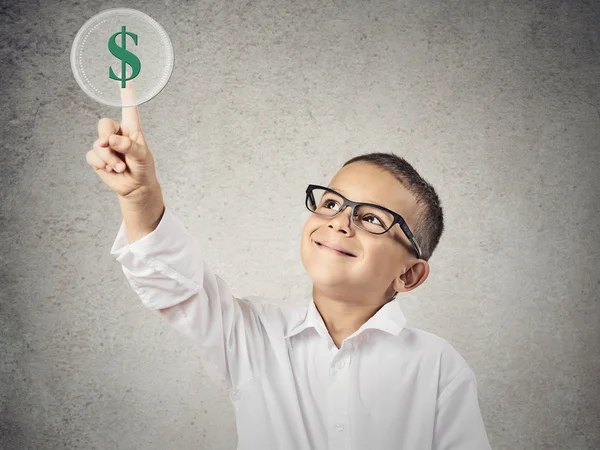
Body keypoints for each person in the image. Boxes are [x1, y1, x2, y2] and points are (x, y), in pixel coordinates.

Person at [87, 81, 492, 449]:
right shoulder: (253, 335)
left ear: (409, 274)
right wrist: (141, 195)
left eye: (371, 218)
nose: (339, 221)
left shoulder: (437, 365)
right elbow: (179, 286)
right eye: (331, 203)